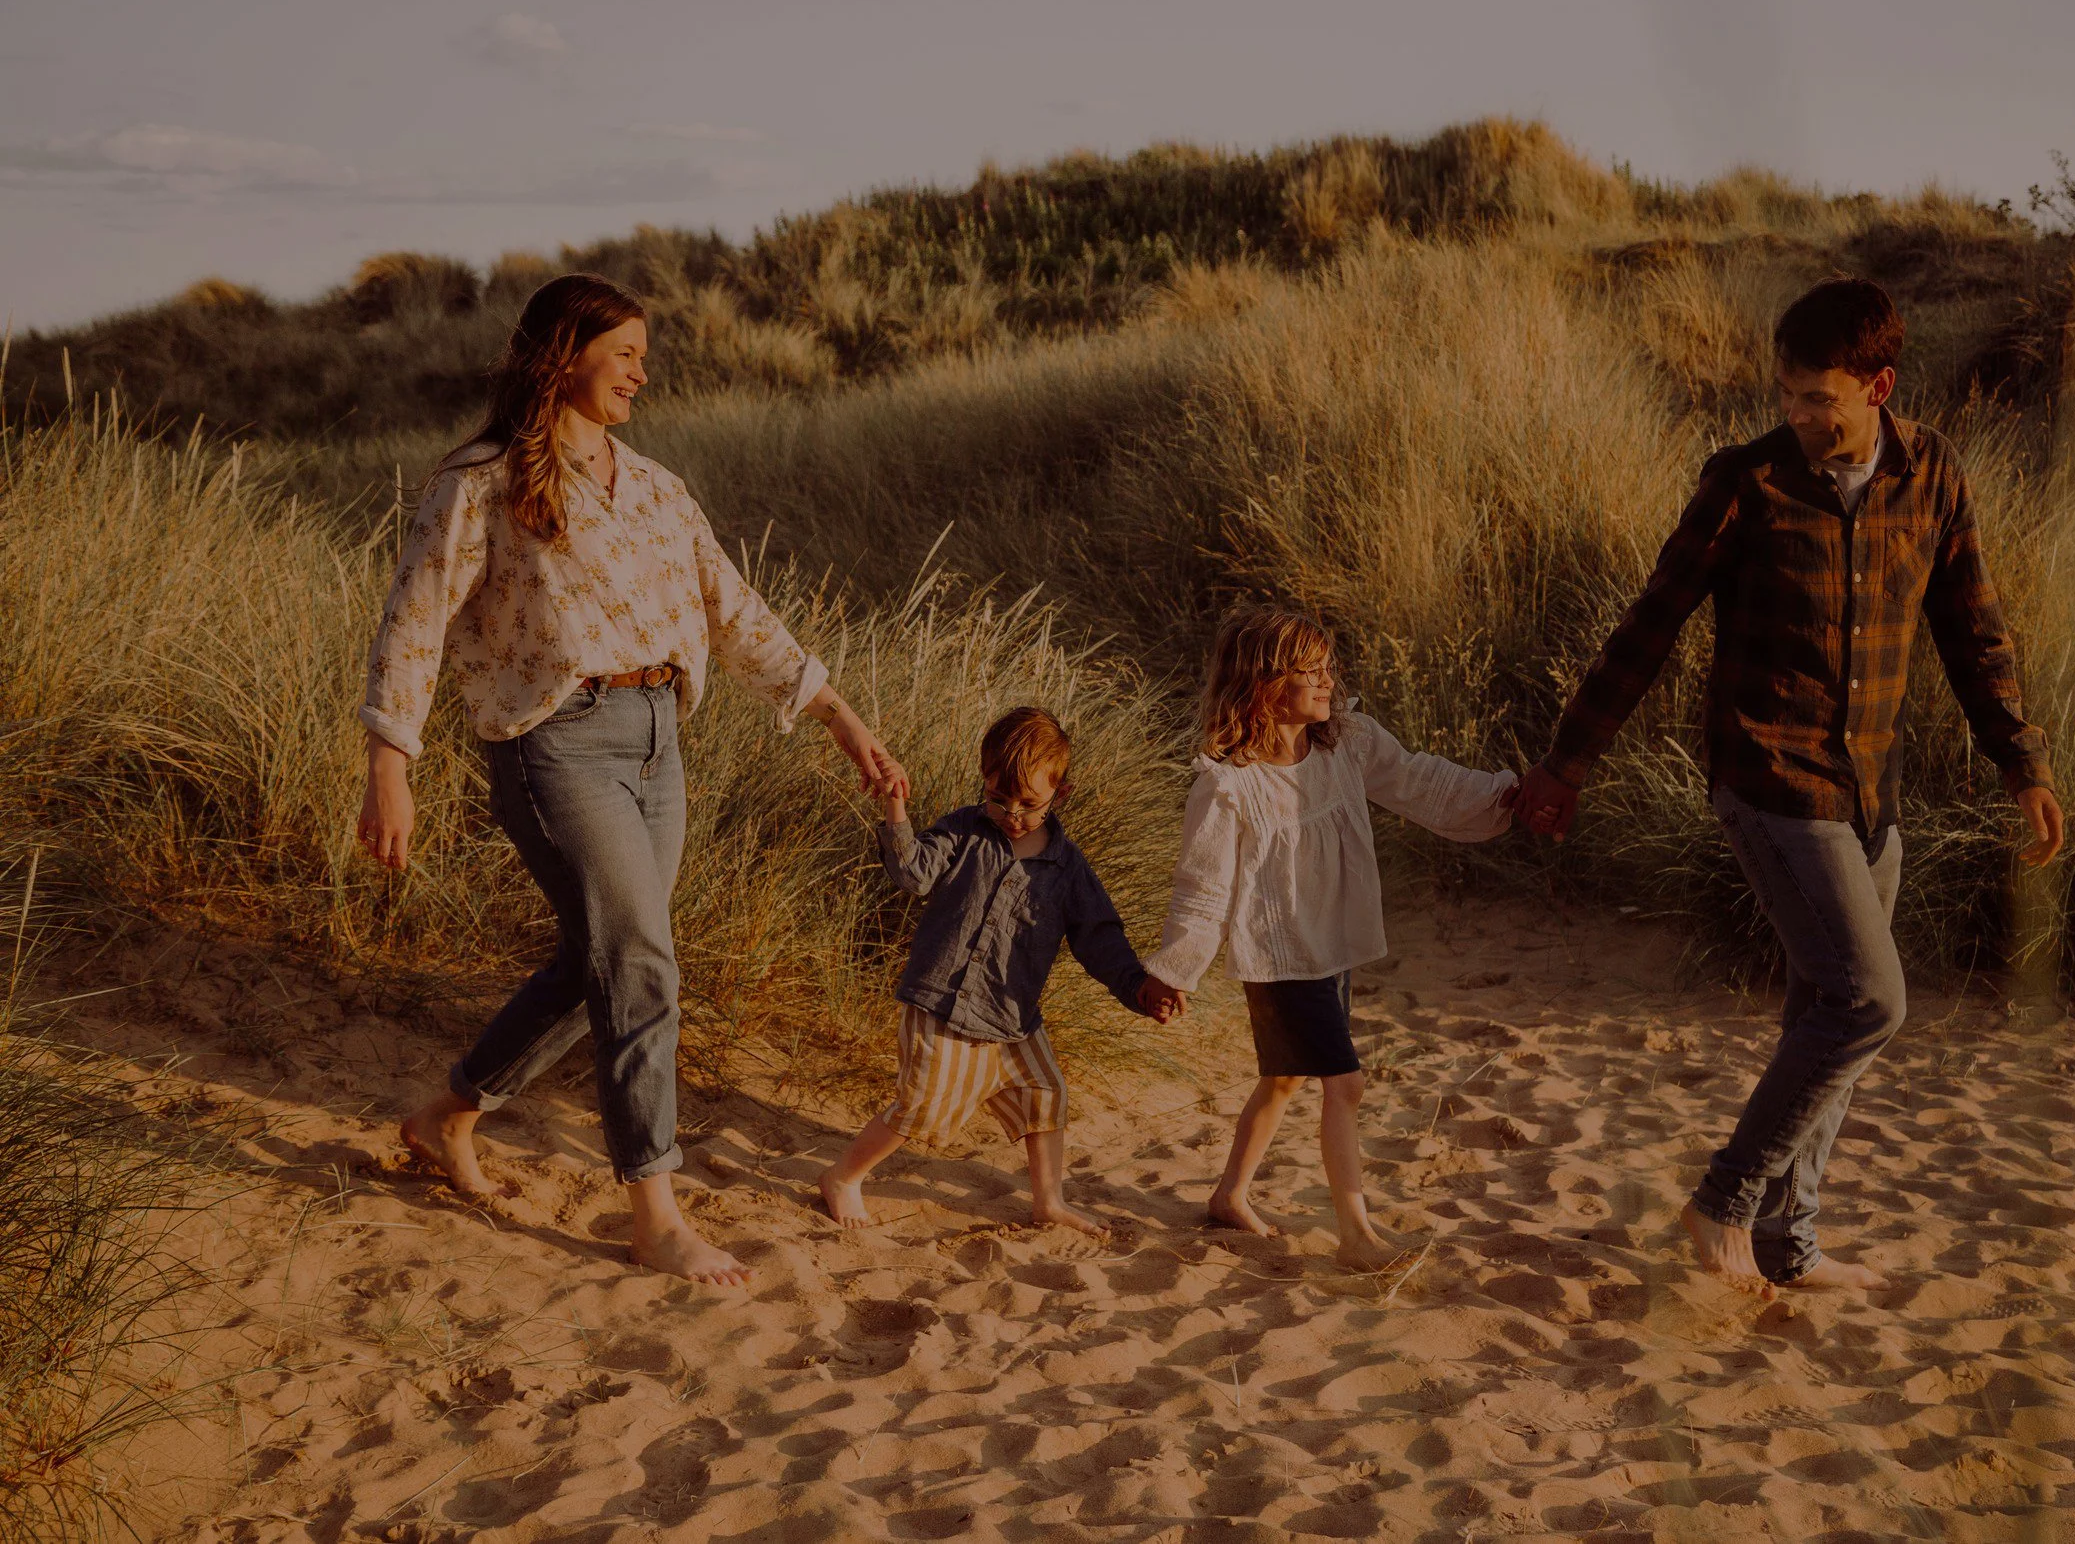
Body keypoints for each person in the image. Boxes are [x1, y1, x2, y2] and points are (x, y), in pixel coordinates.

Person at [1514, 277, 2064, 1298]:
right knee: (1868, 1000)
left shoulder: (1932, 473)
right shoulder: (1747, 481)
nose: (1799, 415)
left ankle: (1786, 1243)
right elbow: (1650, 623)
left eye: (1820, 398)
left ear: (1879, 386)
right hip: (1769, 777)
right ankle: (1722, 1204)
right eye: (1787, 394)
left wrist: (2020, 760)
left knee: (1826, 1019)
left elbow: (1973, 629)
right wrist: (1569, 758)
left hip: (1870, 789)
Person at [356, 272, 903, 1287]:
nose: (642, 372)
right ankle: (654, 1210)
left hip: (659, 743)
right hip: (555, 743)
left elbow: (734, 608)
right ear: (562, 357)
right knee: (642, 961)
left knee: (600, 961)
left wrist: (839, 715)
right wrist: (392, 762)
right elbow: (413, 620)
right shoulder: (477, 482)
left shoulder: (655, 486)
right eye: (624, 354)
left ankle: (448, 1114)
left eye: (644, 356)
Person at [1144, 608, 1516, 1270]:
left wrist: (1505, 798)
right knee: (1345, 1085)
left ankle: (1230, 1194)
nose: (1326, 681)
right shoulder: (1228, 787)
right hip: (1280, 955)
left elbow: (1421, 781)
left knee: (1284, 1078)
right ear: (1262, 685)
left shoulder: (1347, 744)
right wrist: (1175, 970)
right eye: (1307, 671)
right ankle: (1357, 1235)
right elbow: (1202, 888)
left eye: (1327, 667)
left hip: (1330, 947)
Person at [819, 707, 1181, 1235]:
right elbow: (914, 874)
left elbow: (1099, 939)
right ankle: (843, 1177)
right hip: (942, 1005)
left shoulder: (1068, 868)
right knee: (922, 1106)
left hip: (1013, 1017)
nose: (1012, 814)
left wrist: (1140, 988)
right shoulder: (965, 829)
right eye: (998, 798)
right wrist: (896, 805)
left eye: (1029, 804)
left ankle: (1048, 1201)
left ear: (1061, 793)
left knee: (1045, 1095)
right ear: (984, 781)